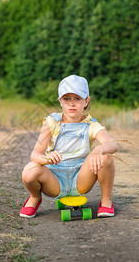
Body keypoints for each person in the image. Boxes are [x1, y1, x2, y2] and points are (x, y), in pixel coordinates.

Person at [20, 75, 118, 218]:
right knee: (29, 170)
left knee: (106, 158)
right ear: (60, 101)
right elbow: (35, 155)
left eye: (77, 98)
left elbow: (113, 144)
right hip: (55, 181)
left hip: (81, 180)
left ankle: (106, 201)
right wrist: (46, 158)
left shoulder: (90, 125)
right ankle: (34, 198)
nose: (72, 103)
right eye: (67, 99)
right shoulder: (52, 122)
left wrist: (98, 150)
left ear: (86, 101)